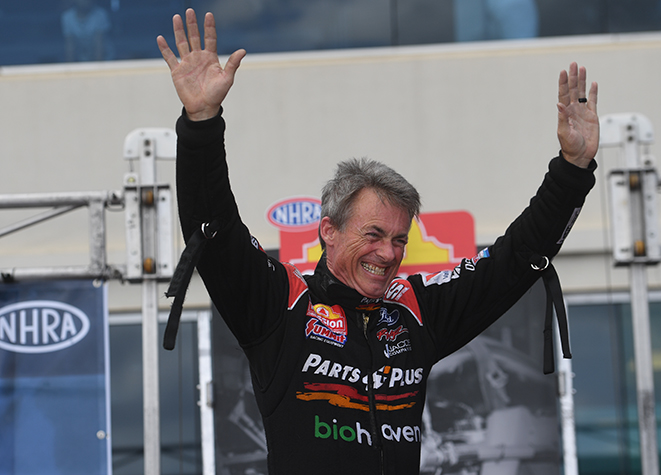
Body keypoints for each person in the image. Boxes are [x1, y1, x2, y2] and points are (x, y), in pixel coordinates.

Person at [157, 8, 599, 475]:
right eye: (373, 234)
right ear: (328, 231)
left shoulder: (414, 313)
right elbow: (214, 229)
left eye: (399, 239)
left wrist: (572, 170)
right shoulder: (280, 307)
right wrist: (201, 123)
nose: (388, 253)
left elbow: (514, 260)